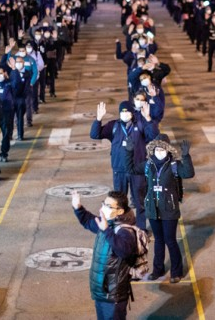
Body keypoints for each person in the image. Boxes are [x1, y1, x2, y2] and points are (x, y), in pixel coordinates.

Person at [127, 136, 194, 284]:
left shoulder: (174, 165)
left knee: (170, 240)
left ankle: (177, 271)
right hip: (153, 209)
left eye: (162, 149)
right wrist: (129, 152)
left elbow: (188, 173)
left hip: (169, 209)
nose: (159, 152)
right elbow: (130, 169)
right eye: (157, 149)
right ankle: (158, 270)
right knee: (158, 241)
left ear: (167, 149)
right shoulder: (148, 165)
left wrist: (186, 156)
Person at [91, 101, 159, 231]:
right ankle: (121, 228)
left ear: (132, 113)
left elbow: (154, 136)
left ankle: (140, 229)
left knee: (140, 202)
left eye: (127, 111)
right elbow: (95, 134)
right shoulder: (114, 126)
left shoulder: (140, 124)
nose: (124, 114)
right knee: (118, 202)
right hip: (119, 170)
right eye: (122, 112)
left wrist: (148, 119)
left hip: (136, 170)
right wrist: (98, 119)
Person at [72, 190, 138, 320]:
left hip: (113, 295)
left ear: (119, 211)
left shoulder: (125, 231)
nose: (103, 208)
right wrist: (78, 208)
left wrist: (107, 230)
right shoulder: (107, 224)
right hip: (102, 291)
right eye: (104, 203)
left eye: (108, 206)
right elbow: (89, 221)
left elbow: (123, 251)